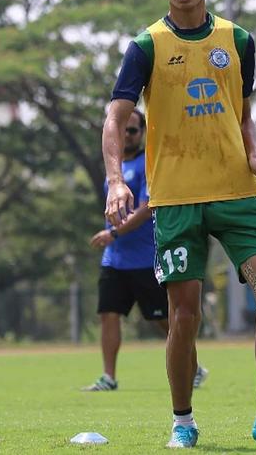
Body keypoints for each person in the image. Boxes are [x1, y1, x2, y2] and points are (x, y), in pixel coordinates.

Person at [103, 0, 256, 449]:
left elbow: (243, 110)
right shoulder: (146, 46)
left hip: (235, 191)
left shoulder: (239, 41)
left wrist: (252, 153)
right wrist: (117, 179)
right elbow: (115, 116)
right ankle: (183, 420)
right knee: (185, 314)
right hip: (176, 199)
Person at [83, 108, 207, 392]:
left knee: (164, 319)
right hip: (114, 259)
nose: (127, 134)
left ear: (142, 133)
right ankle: (108, 377)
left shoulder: (147, 165)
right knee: (109, 313)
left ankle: (194, 366)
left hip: (144, 258)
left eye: (133, 130)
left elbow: (146, 207)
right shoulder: (113, 169)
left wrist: (114, 232)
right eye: (123, 128)